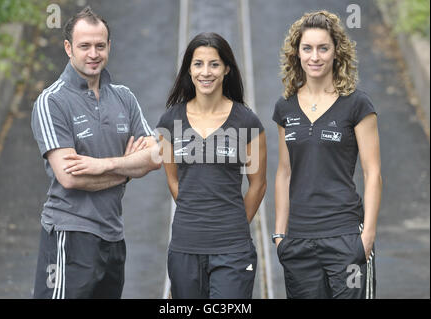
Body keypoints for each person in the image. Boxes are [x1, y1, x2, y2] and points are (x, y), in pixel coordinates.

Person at [31, 6, 160, 299]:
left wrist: (103, 165)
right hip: (71, 235)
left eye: (100, 46)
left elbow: (155, 157)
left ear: (109, 47)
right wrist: (128, 171)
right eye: (84, 46)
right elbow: (70, 177)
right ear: (68, 48)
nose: (93, 54)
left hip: (114, 236)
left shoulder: (123, 97)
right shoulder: (52, 101)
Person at [272, 10, 382, 299]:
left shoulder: (357, 104)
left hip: (345, 237)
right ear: (296, 53)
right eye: (307, 48)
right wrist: (280, 235)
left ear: (337, 52)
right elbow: (284, 172)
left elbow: (373, 173)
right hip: (297, 241)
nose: (315, 57)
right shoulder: (285, 108)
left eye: (323, 48)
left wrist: (366, 237)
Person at [156, 32, 267, 299]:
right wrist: (196, 213)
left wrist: (235, 224)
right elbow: (173, 180)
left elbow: (258, 185)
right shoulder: (170, 122)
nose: (206, 72)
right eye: (198, 64)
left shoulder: (247, 122)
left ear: (227, 68)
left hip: (233, 248)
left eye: (214, 64)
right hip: (185, 246)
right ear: (189, 69)